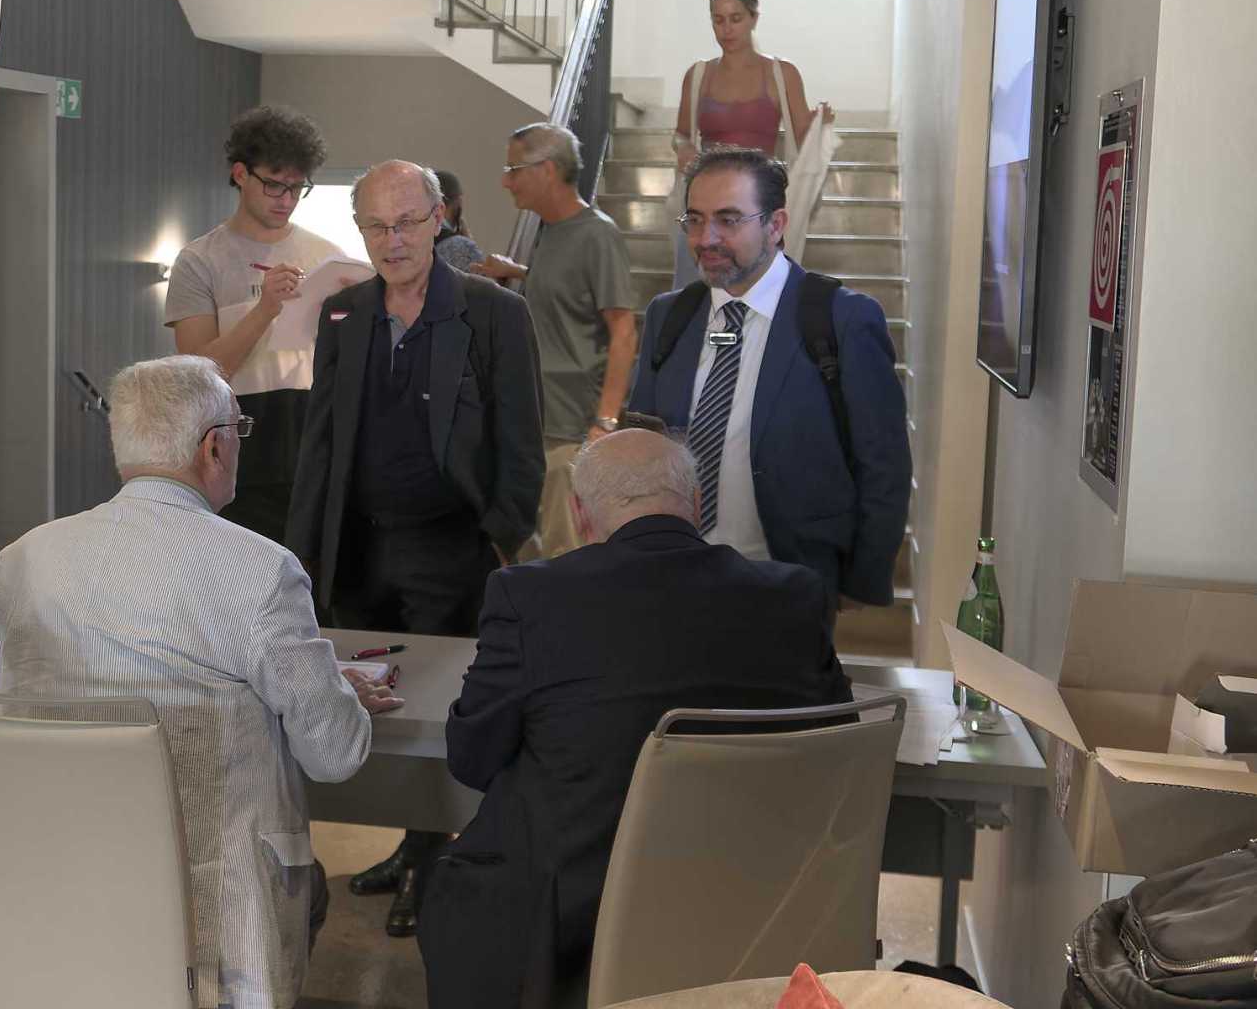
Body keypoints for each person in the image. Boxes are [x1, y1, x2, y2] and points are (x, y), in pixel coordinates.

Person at [0, 354, 403, 1009]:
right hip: (218, 907)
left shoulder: (23, 561)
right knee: (311, 886)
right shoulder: (261, 569)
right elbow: (333, 753)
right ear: (214, 446)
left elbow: (19, 704)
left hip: (70, 880)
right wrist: (337, 691)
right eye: (240, 429)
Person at [418, 428, 852, 1008]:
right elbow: (837, 743)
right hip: (754, 904)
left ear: (580, 515)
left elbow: (472, 757)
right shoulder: (794, 595)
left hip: (573, 917)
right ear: (696, 503)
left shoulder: (531, 597)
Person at [287, 160, 543, 938]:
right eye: (375, 225)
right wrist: (302, 555)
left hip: (449, 546)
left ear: (439, 220)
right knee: (376, 707)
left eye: (406, 222)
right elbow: (320, 443)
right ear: (358, 230)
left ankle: (431, 861)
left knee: (438, 713)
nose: (391, 240)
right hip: (359, 549)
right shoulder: (343, 313)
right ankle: (406, 846)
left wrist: (501, 536)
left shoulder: (493, 313)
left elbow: (521, 439)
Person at [627, 147, 911, 614]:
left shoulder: (842, 319)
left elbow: (883, 464)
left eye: (728, 220)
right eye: (694, 220)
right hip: (674, 578)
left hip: (789, 583)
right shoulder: (669, 315)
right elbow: (643, 443)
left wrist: (860, 581)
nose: (706, 238)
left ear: (776, 225)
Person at [168, 105, 338, 544]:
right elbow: (197, 373)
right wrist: (265, 309)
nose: (286, 199)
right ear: (241, 174)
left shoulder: (326, 256)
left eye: (297, 187)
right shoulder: (200, 260)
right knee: (242, 572)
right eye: (274, 185)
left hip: (314, 435)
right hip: (237, 440)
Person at [473, 123, 636, 558]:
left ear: (547, 170)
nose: (506, 181)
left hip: (570, 428)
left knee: (568, 556)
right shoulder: (550, 229)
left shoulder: (597, 233)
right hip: (535, 420)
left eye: (514, 169)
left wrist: (605, 423)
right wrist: (518, 273)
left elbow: (623, 329)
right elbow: (571, 287)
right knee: (526, 550)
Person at [670, 0, 836, 287]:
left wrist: (820, 125)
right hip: (706, 195)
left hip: (755, 200)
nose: (727, 29)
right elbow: (680, 134)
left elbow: (803, 139)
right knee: (696, 291)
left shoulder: (781, 73)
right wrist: (683, 148)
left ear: (753, 19)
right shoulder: (698, 75)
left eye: (736, 19)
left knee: (754, 287)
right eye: (718, 20)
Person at [432, 169, 486, 272]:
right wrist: (468, 244)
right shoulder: (461, 247)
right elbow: (484, 280)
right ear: (458, 201)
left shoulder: (411, 237)